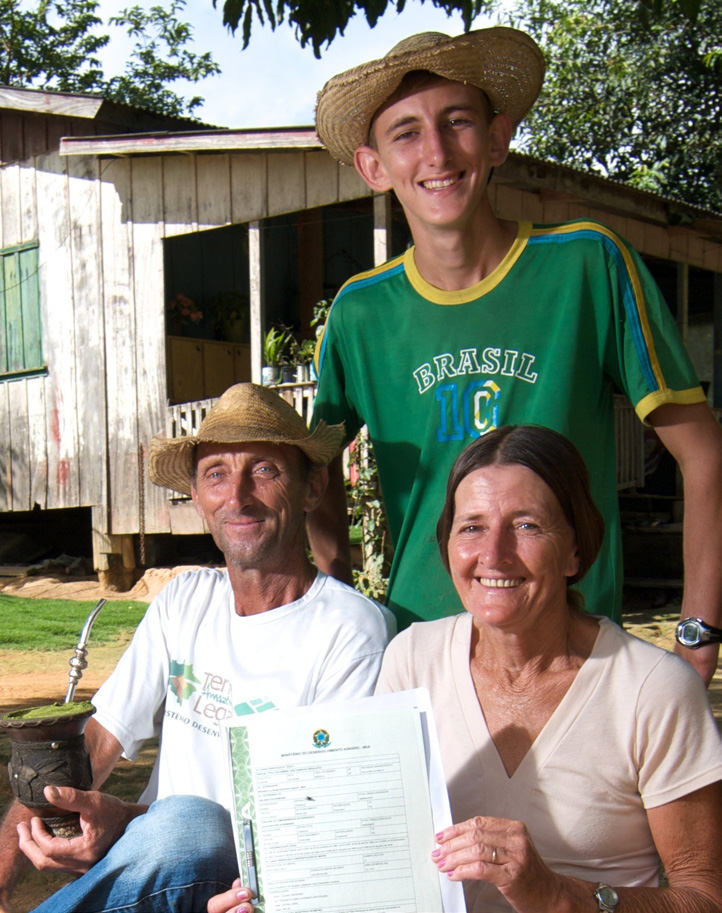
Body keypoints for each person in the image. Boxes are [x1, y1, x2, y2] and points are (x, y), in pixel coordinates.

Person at [308, 27, 722, 684]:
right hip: (427, 660)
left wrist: (698, 636)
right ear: (374, 166)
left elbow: (703, 454)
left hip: (579, 653)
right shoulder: (360, 312)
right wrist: (335, 610)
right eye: (406, 132)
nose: (437, 151)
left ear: (498, 137)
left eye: (458, 121)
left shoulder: (587, 264)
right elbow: (313, 481)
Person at [0, 383, 394, 913]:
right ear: (198, 496)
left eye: (264, 470)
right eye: (216, 474)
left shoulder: (350, 631)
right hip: (155, 872)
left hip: (249, 892)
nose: (237, 496)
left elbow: (313, 818)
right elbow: (94, 740)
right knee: (177, 826)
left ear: (312, 487)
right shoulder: (184, 599)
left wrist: (127, 819)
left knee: (190, 822)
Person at [375, 425, 722, 913]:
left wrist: (562, 896)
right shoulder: (413, 659)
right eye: (471, 526)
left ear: (575, 550)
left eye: (527, 526)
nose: (493, 554)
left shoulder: (652, 689)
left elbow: (706, 898)